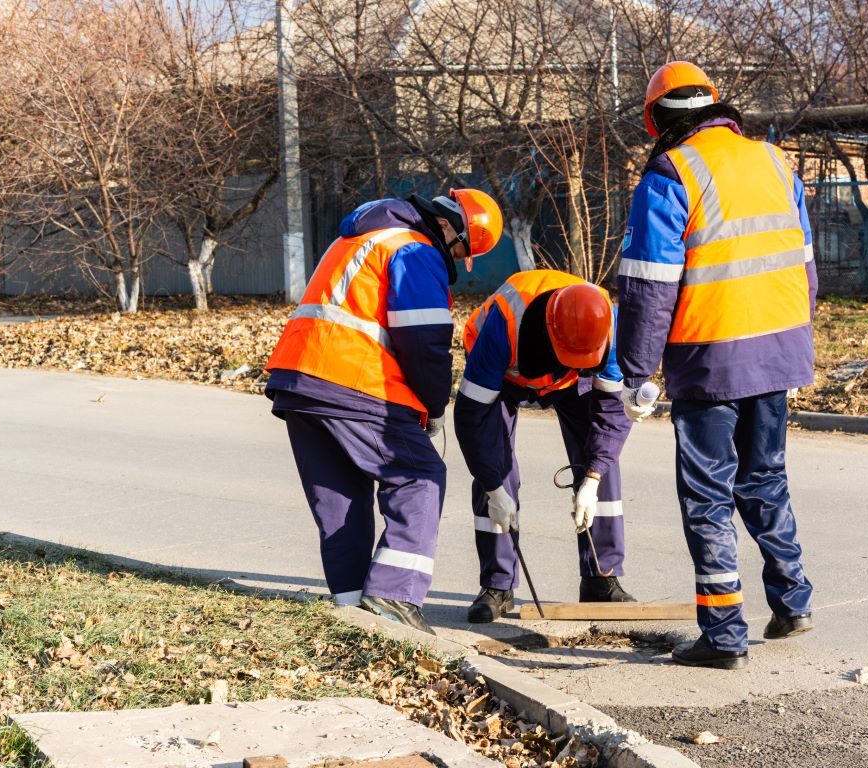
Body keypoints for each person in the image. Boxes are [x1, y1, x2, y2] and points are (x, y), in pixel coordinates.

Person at [615, 62, 817, 668]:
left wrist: (636, 372)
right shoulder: (774, 161)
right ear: (715, 106)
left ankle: (725, 636)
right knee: (766, 478)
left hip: (710, 359)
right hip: (778, 349)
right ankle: (793, 603)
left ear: (656, 121)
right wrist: (793, 342)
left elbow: (649, 287)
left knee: (707, 497)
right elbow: (806, 269)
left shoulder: (670, 174)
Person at [264, 188, 504, 635]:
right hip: (353, 382)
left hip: (300, 381)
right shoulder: (415, 249)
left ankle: (352, 606)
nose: (456, 259)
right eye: (460, 251)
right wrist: (434, 406)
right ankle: (394, 595)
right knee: (419, 477)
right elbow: (425, 342)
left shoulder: (362, 237)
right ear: (447, 226)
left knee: (340, 495)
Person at [454, 269, 634, 623]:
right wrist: (493, 488)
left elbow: (612, 414)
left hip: (570, 380)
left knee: (601, 461)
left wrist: (592, 479)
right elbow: (472, 419)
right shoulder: (503, 326)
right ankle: (497, 585)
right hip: (504, 373)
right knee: (495, 467)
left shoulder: (608, 327)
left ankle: (600, 579)